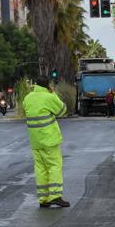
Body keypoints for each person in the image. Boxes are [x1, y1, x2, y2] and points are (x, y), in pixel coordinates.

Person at [22, 76, 70, 208]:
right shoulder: (48, 97)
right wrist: (53, 93)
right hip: (49, 139)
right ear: (48, 85)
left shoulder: (28, 98)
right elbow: (62, 111)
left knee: (40, 169)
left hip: (35, 141)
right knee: (54, 166)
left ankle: (43, 198)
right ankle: (55, 196)